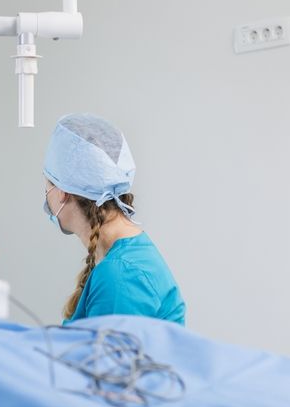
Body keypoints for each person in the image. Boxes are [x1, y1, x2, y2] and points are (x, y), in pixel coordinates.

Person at [42, 114, 185, 325]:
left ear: (62, 192)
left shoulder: (120, 275)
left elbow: (103, 357)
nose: (46, 195)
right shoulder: (122, 259)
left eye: (47, 186)